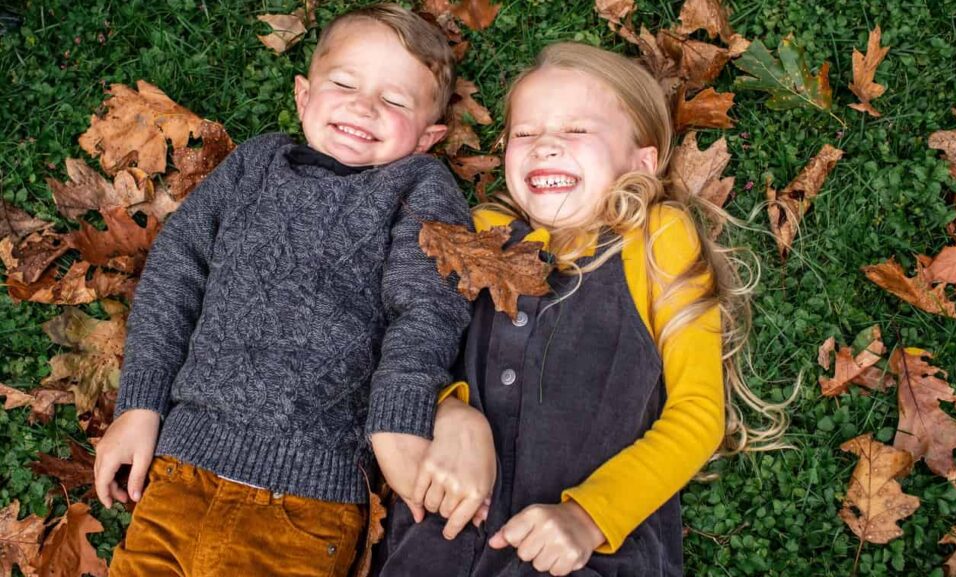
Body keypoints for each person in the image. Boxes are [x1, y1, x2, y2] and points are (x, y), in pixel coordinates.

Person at [374, 42, 793, 577]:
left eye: (576, 130)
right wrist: (447, 410)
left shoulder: (654, 239)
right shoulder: (474, 234)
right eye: (525, 133)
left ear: (641, 161)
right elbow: (409, 340)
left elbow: (697, 413)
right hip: (436, 540)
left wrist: (589, 517)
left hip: (587, 556)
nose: (545, 145)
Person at [93, 5, 473, 576]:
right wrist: (140, 405)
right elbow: (176, 268)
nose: (363, 106)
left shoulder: (417, 187)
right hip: (178, 474)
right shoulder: (255, 163)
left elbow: (427, 310)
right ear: (303, 95)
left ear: (428, 136)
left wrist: (398, 419)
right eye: (344, 84)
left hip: (305, 502)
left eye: (395, 101)